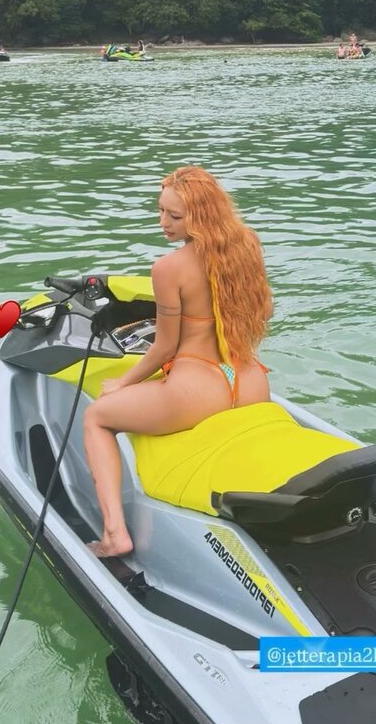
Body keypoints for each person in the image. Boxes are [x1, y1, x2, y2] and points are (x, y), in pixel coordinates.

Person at [83, 166, 273, 557]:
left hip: (198, 390)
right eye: (161, 211)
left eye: (175, 216)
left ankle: (115, 534)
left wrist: (123, 383)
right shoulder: (247, 243)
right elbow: (263, 310)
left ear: (201, 216)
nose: (163, 223)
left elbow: (165, 348)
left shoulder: (168, 268)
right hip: (249, 382)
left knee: (97, 417)